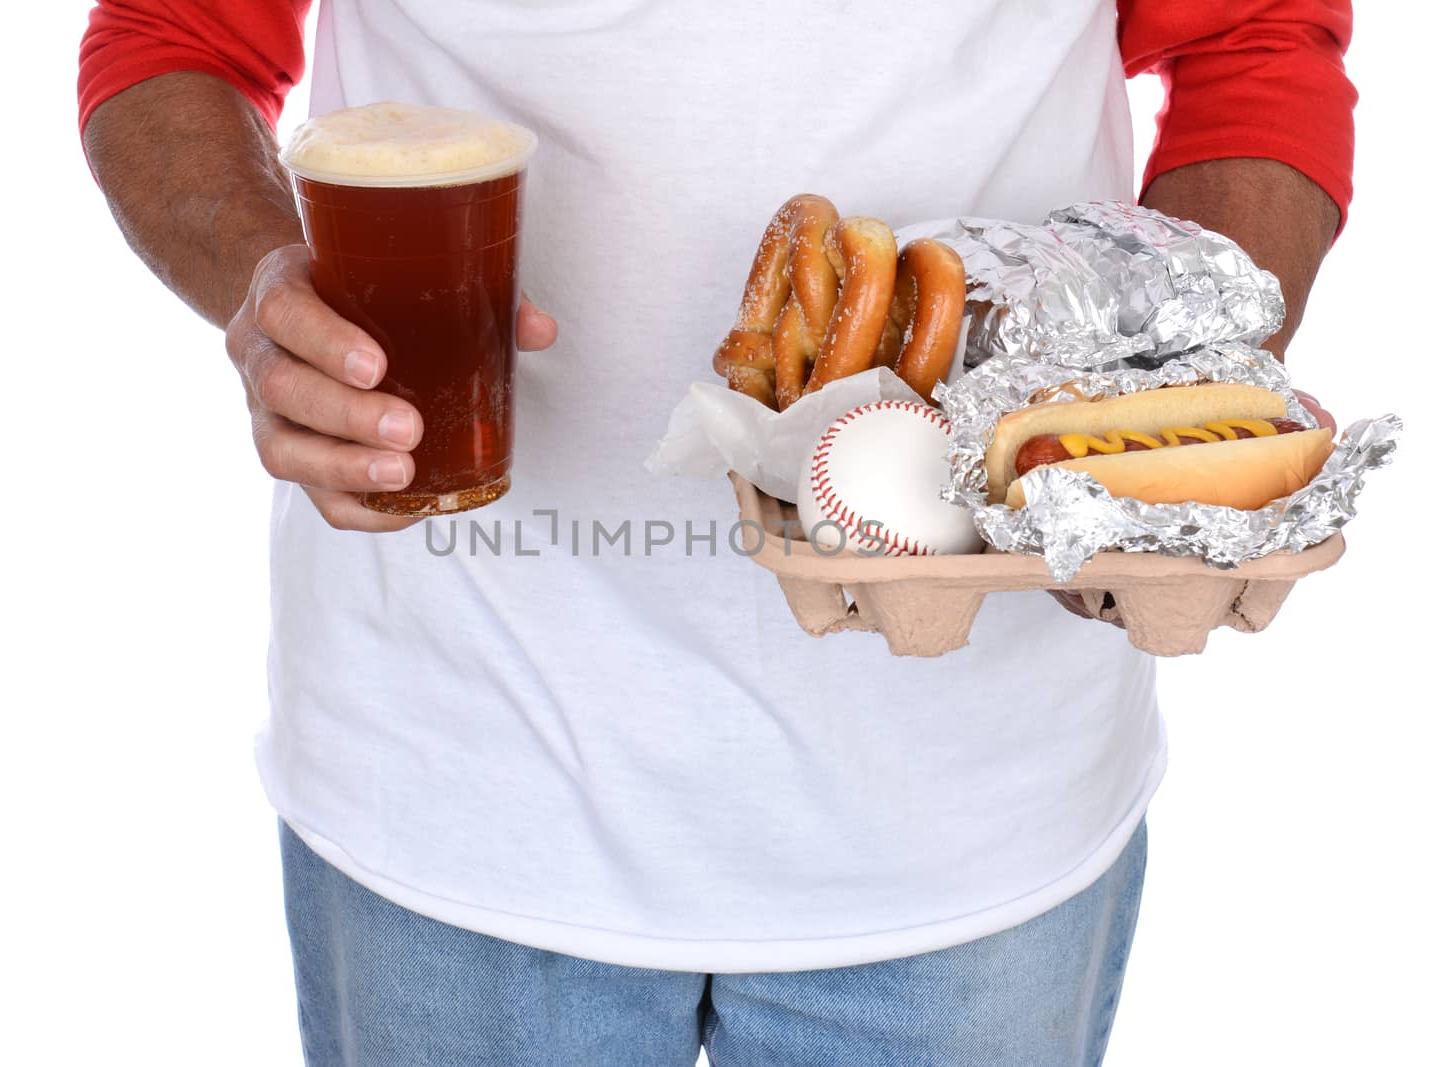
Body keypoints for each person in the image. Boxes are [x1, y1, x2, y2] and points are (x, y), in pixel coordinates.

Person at [77, 2, 1354, 1063]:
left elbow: (1251, 35)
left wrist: (1171, 422)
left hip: (970, 783)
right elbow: (172, 32)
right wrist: (260, 288)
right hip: (454, 761)